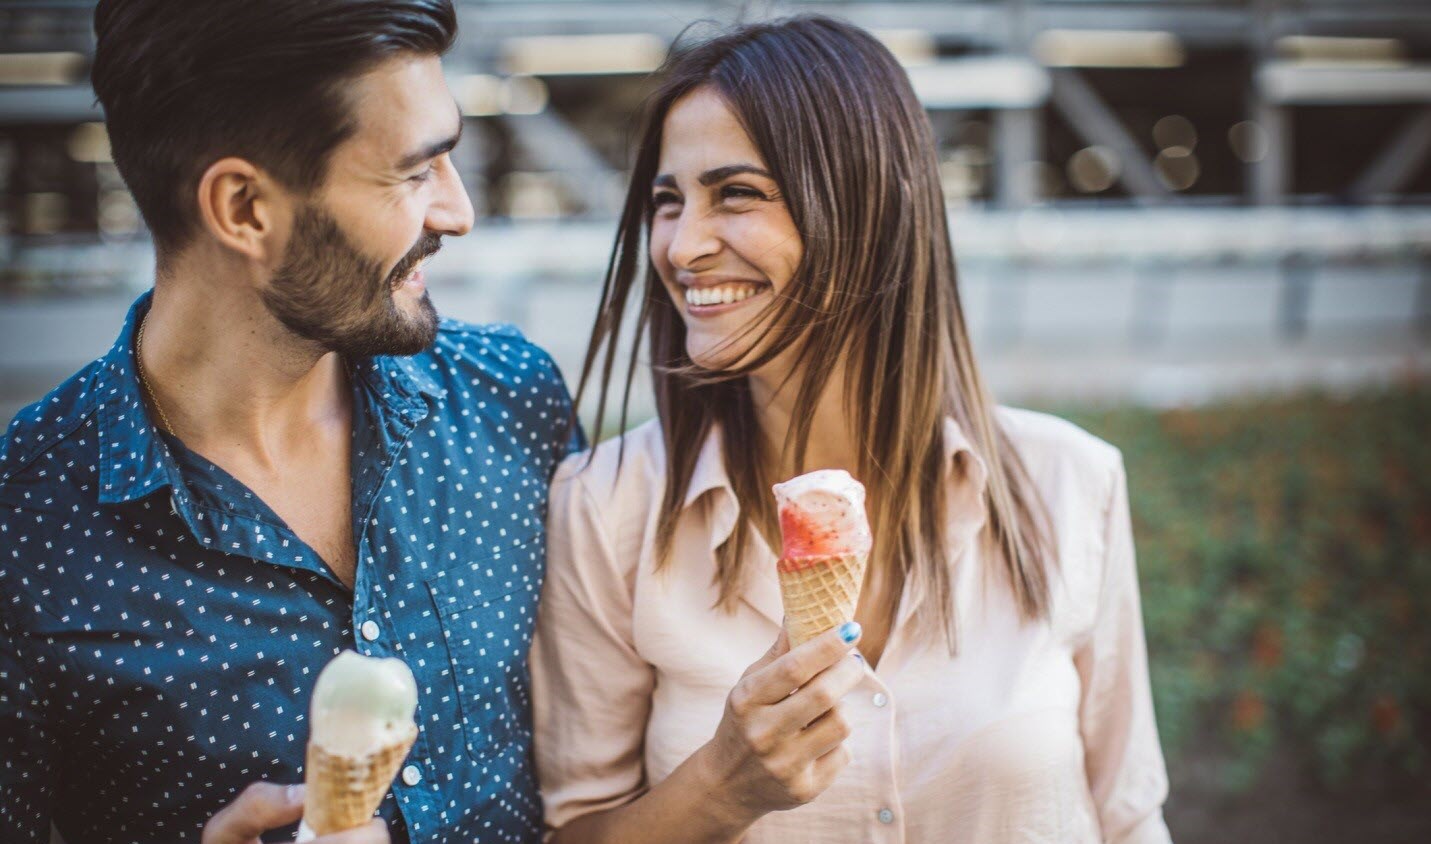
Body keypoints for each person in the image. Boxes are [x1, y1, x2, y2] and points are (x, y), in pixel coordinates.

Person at [531, 15, 1172, 844]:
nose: (684, 246)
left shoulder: (1070, 481)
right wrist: (718, 788)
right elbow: (572, 828)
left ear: (867, 208)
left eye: (736, 194)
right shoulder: (605, 507)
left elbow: (1128, 817)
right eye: (667, 201)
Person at [0, 1, 578, 841]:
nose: (457, 212)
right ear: (243, 208)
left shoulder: (510, 398)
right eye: (414, 173)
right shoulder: (24, 527)